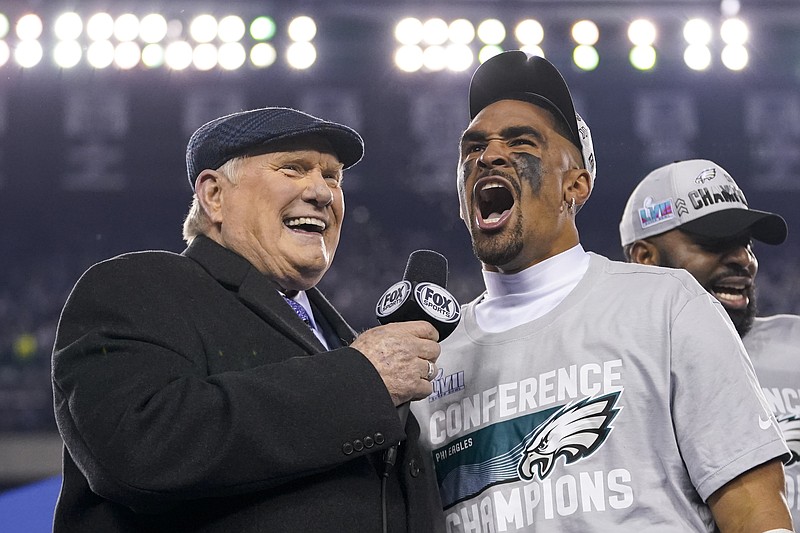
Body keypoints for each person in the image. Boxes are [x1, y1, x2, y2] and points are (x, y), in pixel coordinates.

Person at [410, 50, 794, 532]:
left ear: (577, 185)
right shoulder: (429, 360)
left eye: (521, 142)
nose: (488, 156)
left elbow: (755, 512)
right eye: (472, 148)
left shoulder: (667, 308)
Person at [51, 107, 446, 532]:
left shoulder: (341, 339)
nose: (323, 192)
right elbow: (139, 448)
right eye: (293, 169)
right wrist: (361, 379)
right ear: (214, 196)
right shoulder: (137, 286)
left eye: (332, 176)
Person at [620, 158, 800, 525]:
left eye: (745, 244)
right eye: (714, 243)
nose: (743, 260)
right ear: (645, 259)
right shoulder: (612, 373)